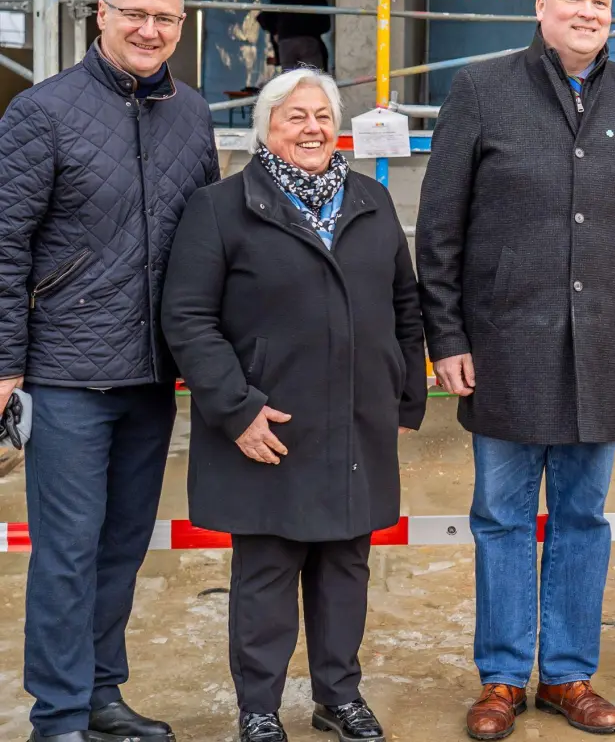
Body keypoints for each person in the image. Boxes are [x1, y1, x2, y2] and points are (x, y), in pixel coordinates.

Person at [416, 0, 615, 739]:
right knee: (501, 516)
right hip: (502, 346)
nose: (588, 11)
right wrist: (447, 335)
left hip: (602, 346)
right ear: (540, 6)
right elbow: (439, 230)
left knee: (582, 517)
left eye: (601, 1)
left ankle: (568, 675)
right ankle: (502, 678)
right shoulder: (482, 91)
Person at [161, 69, 427, 742]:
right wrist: (235, 407)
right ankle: (258, 707)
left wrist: (402, 390)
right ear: (266, 130)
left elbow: (403, 301)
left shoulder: (369, 199)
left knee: (346, 566)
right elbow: (189, 318)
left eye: (320, 116)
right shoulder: (222, 208)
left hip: (356, 419)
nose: (310, 129)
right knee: (268, 572)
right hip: (269, 423)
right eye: (293, 117)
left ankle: (340, 696)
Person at [0, 0, 219, 742]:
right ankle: (57, 717)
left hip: (152, 375)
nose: (148, 28)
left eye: (164, 17)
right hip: (63, 374)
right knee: (65, 553)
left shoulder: (193, 116)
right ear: (102, 14)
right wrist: (4, 363)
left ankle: (100, 694)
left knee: (123, 546)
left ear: (181, 26)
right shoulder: (42, 112)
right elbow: (5, 242)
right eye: (134, 12)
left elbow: (207, 244)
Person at [258, 0, 331, 71]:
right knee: (313, 77)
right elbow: (325, 25)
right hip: (308, 40)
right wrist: (311, 30)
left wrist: (276, 31)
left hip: (285, 42)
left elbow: (266, 16)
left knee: (290, 79)